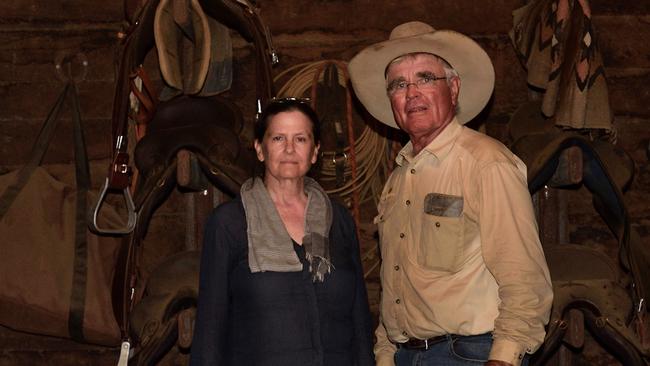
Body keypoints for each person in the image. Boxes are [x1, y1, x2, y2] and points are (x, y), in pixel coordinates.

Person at [348, 21, 554, 366]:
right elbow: (396, 282)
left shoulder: (486, 163)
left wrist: (503, 358)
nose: (412, 92)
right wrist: (385, 353)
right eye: (399, 84)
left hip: (469, 354)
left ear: (453, 89)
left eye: (425, 79)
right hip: (406, 355)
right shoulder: (398, 179)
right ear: (392, 101)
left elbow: (524, 277)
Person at [190, 98, 375, 366]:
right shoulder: (230, 223)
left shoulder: (338, 220)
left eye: (300, 139)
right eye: (278, 138)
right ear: (260, 149)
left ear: (314, 152)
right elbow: (210, 326)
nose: (289, 149)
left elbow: (359, 319)